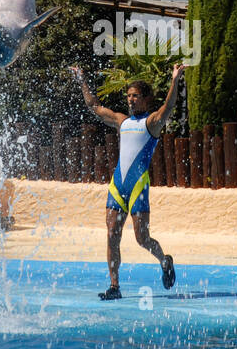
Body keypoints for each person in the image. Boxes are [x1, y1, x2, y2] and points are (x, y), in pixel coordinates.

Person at [69, 63, 184, 300]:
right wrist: (82, 81)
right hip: (117, 185)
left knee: (142, 238)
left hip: (138, 186)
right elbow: (95, 107)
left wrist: (175, 79)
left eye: (135, 96)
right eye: (128, 96)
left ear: (145, 99)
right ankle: (114, 286)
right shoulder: (122, 121)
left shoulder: (151, 123)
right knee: (112, 233)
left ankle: (164, 260)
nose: (130, 100)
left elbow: (169, 106)